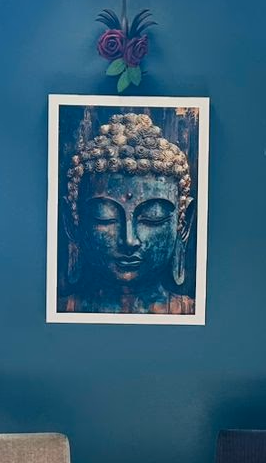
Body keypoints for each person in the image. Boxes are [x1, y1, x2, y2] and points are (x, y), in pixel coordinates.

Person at [60, 112, 196, 315]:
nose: (129, 240)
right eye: (104, 216)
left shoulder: (190, 311)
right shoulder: (61, 310)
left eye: (153, 217)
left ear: (183, 226)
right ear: (72, 224)